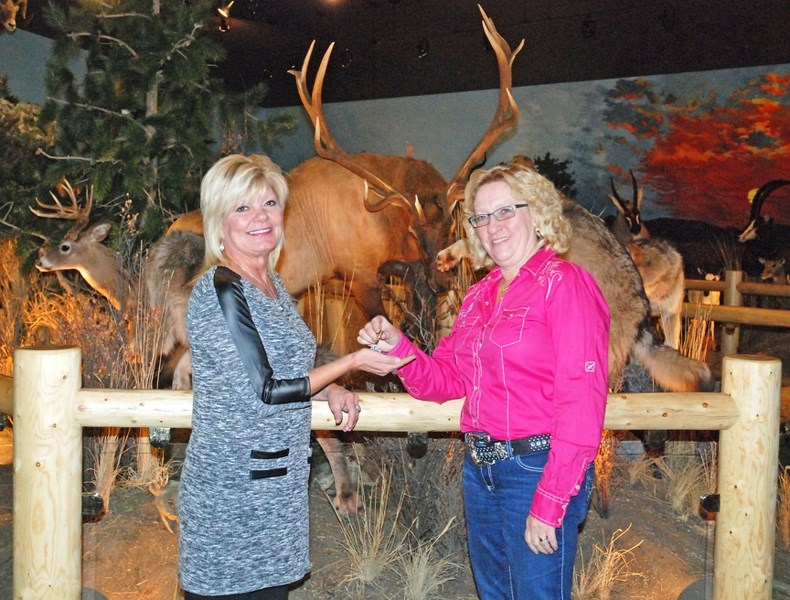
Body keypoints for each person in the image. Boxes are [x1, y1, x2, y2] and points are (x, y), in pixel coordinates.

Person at [358, 158, 610, 600]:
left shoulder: (565, 284)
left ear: (538, 213)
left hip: (537, 470)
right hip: (481, 471)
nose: (493, 227)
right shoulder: (478, 295)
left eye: (506, 211)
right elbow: (446, 380)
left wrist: (551, 500)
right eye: (481, 217)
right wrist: (398, 348)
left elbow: (582, 403)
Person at [178, 153, 409, 600]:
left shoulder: (275, 285)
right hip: (233, 494)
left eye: (268, 203)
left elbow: (290, 371)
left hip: (279, 488)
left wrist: (332, 389)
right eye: (242, 208)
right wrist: (352, 363)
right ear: (218, 222)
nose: (260, 217)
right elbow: (265, 390)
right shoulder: (222, 289)